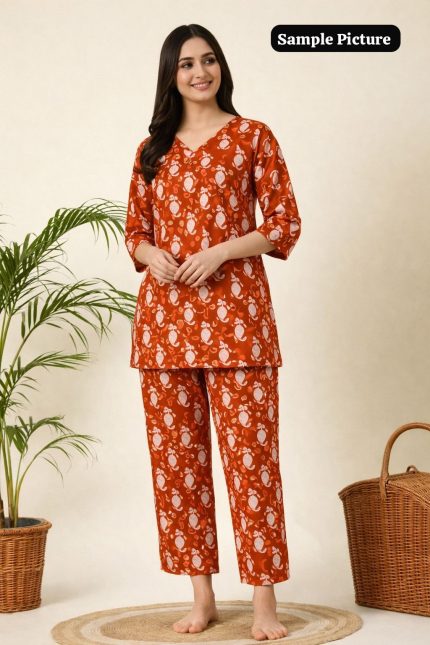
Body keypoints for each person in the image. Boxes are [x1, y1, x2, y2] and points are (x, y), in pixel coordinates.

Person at [124, 23, 301, 642]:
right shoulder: (151, 150)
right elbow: (135, 230)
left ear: (221, 67)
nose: (200, 72)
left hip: (239, 325)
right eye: (186, 64)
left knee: (253, 466)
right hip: (164, 329)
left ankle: (264, 603)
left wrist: (222, 250)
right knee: (179, 469)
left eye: (208, 60)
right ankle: (201, 597)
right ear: (170, 76)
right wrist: (150, 255)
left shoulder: (253, 137)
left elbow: (283, 223)